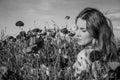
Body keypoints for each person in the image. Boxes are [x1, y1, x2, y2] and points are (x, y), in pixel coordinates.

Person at [73, 7, 120, 80]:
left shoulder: (84, 55)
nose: (77, 34)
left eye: (83, 30)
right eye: (77, 28)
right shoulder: (111, 50)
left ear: (95, 32)